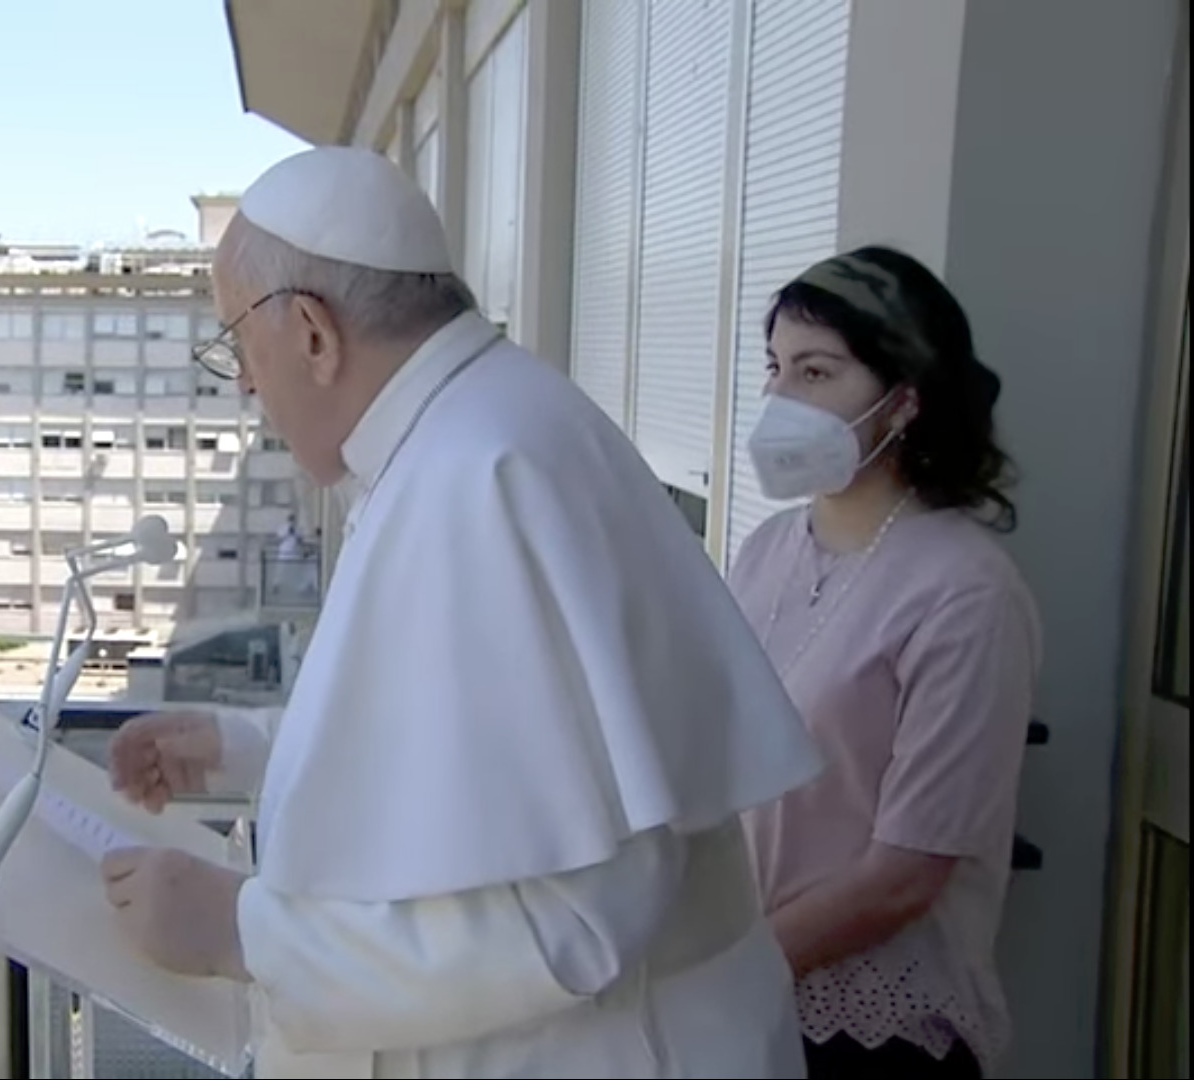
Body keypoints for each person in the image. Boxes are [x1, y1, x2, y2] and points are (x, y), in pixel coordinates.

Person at [95, 145, 825, 1078]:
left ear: (312, 334)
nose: (243, 382)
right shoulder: (477, 430)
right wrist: (247, 747)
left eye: (237, 344)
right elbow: (489, 749)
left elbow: (574, 918)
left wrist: (243, 933)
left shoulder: (477, 474)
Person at [729, 247, 1042, 1079]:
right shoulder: (767, 551)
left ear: (904, 400)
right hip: (746, 1003)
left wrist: (730, 975)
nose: (778, 397)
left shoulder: (965, 591)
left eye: (816, 372)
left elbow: (906, 874)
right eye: (775, 367)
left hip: (868, 1036)